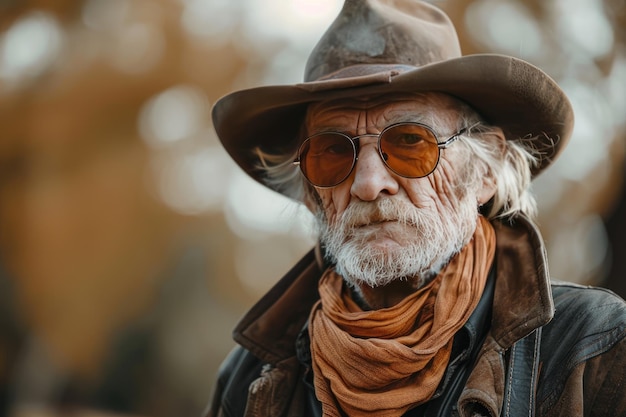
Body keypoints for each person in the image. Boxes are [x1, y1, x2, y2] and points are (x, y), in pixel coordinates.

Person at [206, 0, 626, 416]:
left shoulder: (592, 347)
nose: (369, 184)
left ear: (484, 172)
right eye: (332, 152)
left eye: (410, 142)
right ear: (311, 195)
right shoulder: (251, 379)